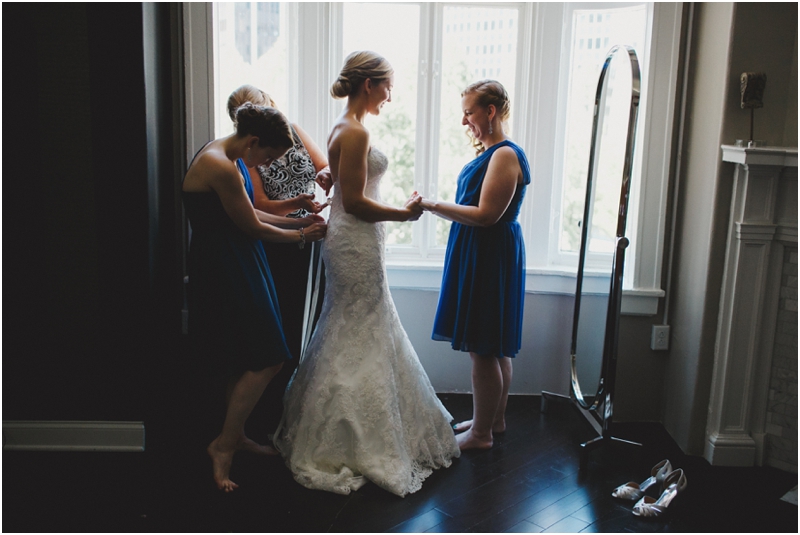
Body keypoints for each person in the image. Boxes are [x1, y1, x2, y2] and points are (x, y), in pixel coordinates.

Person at [274, 51, 460, 497]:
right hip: (355, 238)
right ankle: (351, 435)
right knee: (359, 324)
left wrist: (329, 176)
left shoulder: (344, 126)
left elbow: (340, 184)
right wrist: (405, 213)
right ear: (368, 84)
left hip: (354, 239)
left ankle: (341, 422)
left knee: (356, 324)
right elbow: (355, 202)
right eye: (388, 85)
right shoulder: (355, 130)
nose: (391, 96)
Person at [182, 103, 327, 492]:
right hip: (224, 266)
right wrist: (300, 235)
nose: (266, 163)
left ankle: (237, 435)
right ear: (254, 141)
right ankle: (223, 445)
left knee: (242, 355)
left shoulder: (231, 154)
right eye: (268, 155)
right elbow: (251, 225)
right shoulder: (220, 165)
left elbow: (251, 215)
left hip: (242, 258)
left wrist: (298, 220)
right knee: (270, 357)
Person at [419, 80, 530, 451]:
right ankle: (493, 420)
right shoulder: (493, 153)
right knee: (493, 345)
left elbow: (485, 215)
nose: (465, 121)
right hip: (483, 251)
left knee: (484, 347)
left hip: (489, 254)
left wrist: (433, 205)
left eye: (469, 112)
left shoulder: (504, 155)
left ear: (491, 111)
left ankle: (481, 434)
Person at [226, 86, 330, 431]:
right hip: (277, 240)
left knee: (311, 317)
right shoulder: (244, 156)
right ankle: (274, 410)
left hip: (311, 230)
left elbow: (322, 166)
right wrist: (295, 208)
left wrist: (324, 180)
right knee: (283, 320)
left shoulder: (295, 132)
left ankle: (305, 402)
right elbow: (257, 206)